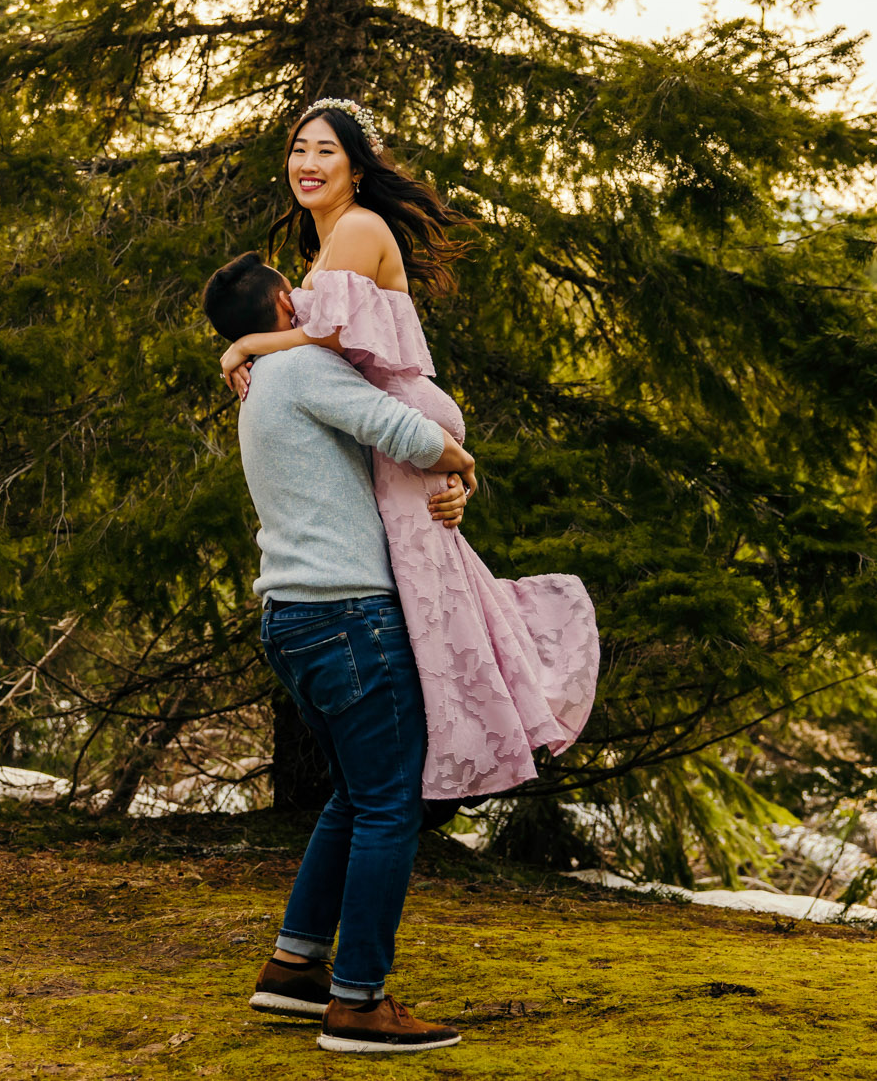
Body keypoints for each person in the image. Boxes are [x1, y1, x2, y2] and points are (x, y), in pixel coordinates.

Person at [218, 97, 602, 803]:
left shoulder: (359, 228)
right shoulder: (324, 245)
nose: (308, 163)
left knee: (431, 598)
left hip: (401, 413)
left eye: (326, 150)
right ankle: (451, 743)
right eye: (299, 149)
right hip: (397, 425)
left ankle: (472, 738)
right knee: (438, 588)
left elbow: (331, 337)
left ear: (357, 167)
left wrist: (245, 344)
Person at [202, 251, 469, 1054]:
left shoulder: (262, 385)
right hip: (349, 616)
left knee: (355, 797)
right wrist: (458, 462)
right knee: (393, 804)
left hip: (292, 617)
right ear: (288, 301)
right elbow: (404, 430)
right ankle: (359, 1003)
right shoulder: (303, 372)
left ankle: (294, 968)